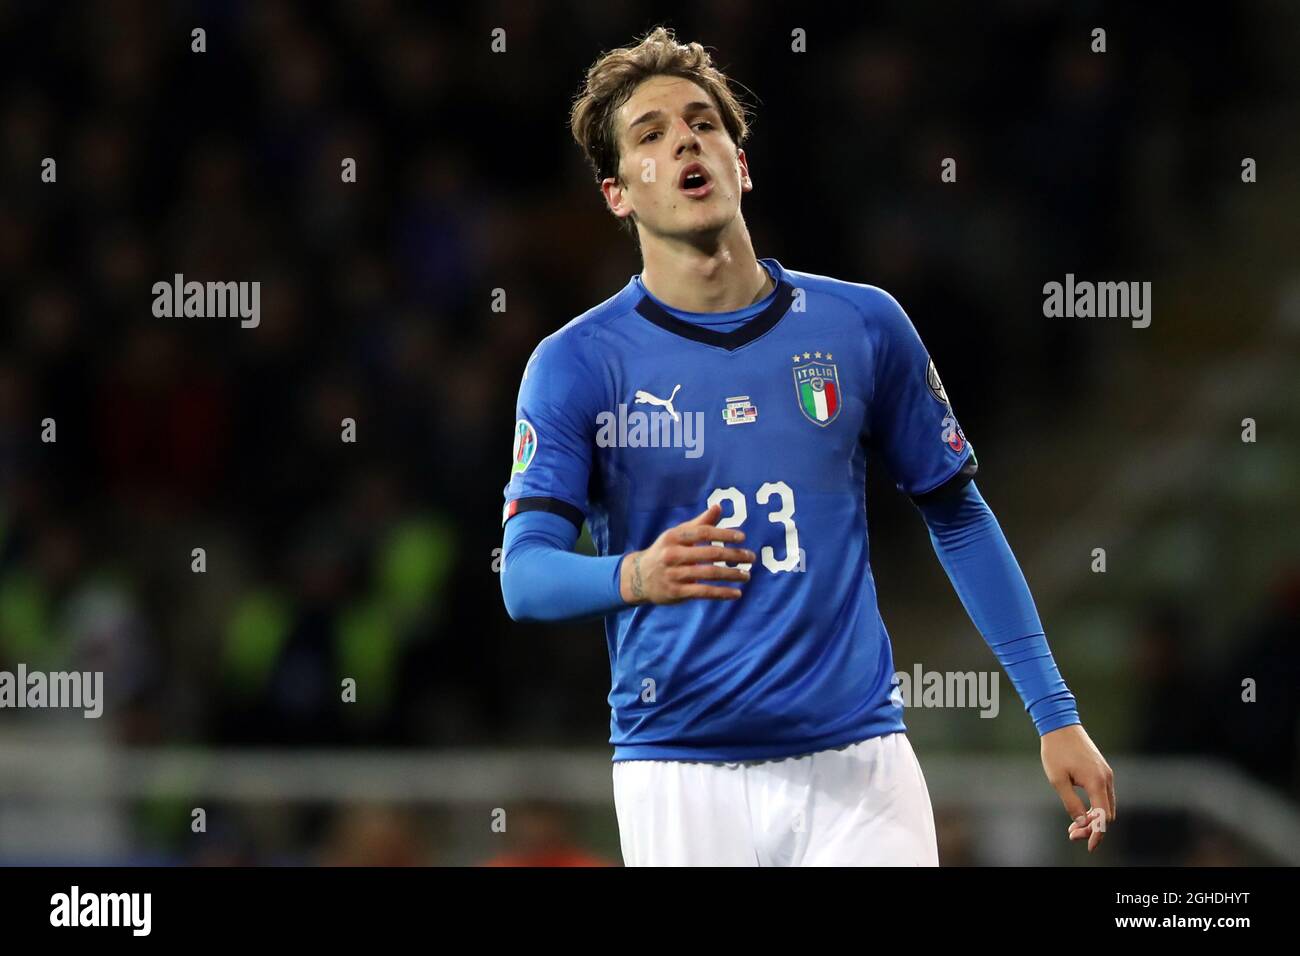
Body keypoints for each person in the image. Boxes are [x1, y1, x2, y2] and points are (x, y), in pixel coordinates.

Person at [499, 26, 1113, 866]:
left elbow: (958, 516)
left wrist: (1054, 711)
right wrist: (635, 574)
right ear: (619, 194)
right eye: (651, 133)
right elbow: (524, 576)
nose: (686, 138)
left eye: (704, 123)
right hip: (679, 773)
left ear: (740, 166)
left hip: (861, 768)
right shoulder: (576, 365)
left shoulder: (860, 325)